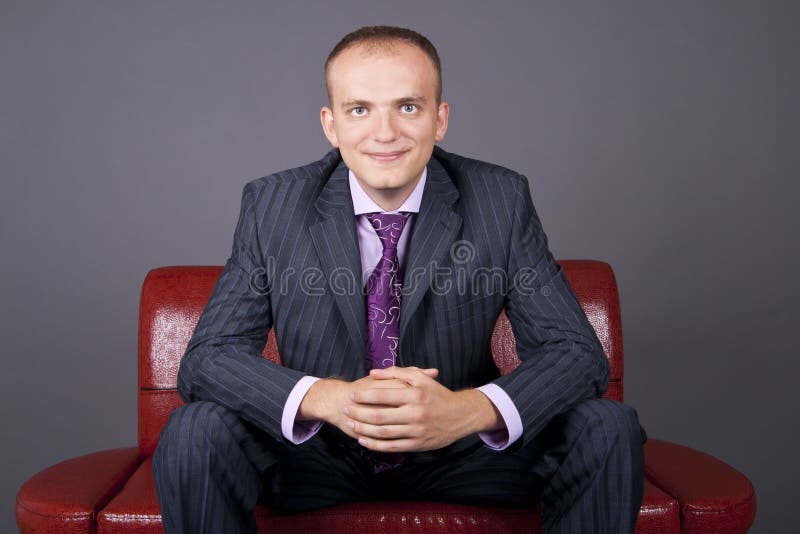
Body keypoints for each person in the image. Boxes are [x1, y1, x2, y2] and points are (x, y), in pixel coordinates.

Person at [153, 25, 646, 533]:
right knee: (196, 430)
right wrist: (328, 400)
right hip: (316, 455)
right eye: (360, 109)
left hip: (461, 451)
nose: (384, 133)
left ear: (440, 118)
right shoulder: (272, 205)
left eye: (408, 107)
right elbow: (208, 358)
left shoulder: (502, 198)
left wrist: (468, 410)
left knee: (607, 427)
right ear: (331, 125)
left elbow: (576, 352)